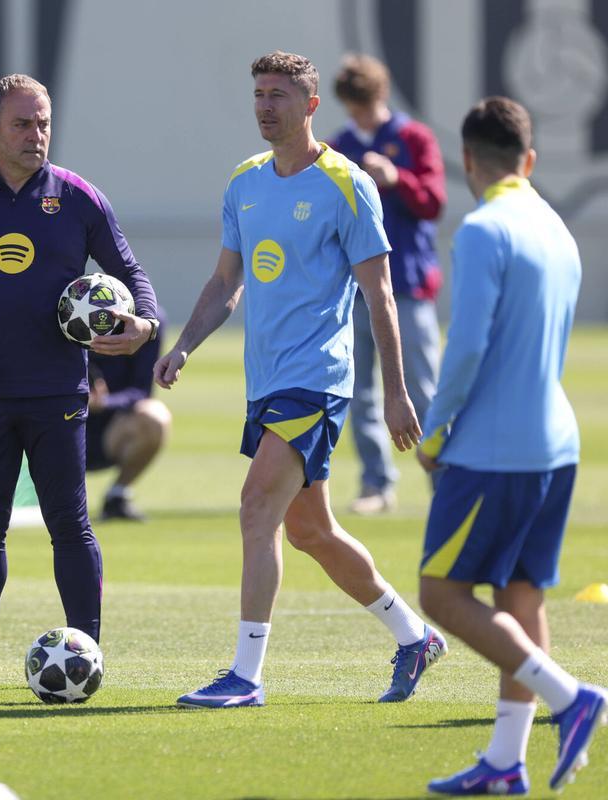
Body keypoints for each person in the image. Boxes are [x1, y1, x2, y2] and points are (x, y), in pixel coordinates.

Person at [155, 51, 444, 710]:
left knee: (257, 509)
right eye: (259, 93)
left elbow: (381, 296)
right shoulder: (245, 182)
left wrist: (396, 392)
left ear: (311, 105)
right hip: (268, 382)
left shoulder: (346, 184)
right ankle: (415, 636)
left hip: (316, 380)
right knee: (311, 531)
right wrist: (185, 346)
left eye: (278, 95)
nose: (265, 105)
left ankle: (246, 675)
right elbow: (225, 281)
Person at [0, 73, 159, 688]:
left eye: (44, 123)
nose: (36, 135)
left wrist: (145, 322)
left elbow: (130, 271)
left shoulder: (78, 197)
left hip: (58, 393)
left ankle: (88, 653)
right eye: (22, 124)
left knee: (70, 524)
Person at [417, 97, 606, 796]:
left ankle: (571, 698)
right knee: (521, 598)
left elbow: (466, 345)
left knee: (441, 594)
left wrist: (436, 431)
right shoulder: (557, 228)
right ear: (528, 159)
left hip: (495, 447)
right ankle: (505, 761)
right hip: (555, 443)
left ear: (467, 159)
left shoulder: (482, 229)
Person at [329, 54, 446, 515]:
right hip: (356, 287)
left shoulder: (413, 137)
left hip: (407, 284)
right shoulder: (338, 146)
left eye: (365, 106)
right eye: (352, 107)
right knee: (359, 392)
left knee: (424, 388)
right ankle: (376, 483)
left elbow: (434, 202)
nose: (359, 116)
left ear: (380, 96)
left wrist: (399, 179)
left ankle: (443, 483)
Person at [86, 308, 171, 521]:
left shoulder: (149, 320)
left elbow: (141, 390)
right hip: (54, 421)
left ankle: (117, 495)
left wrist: (102, 402)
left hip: (109, 428)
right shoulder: (64, 309)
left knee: (154, 417)